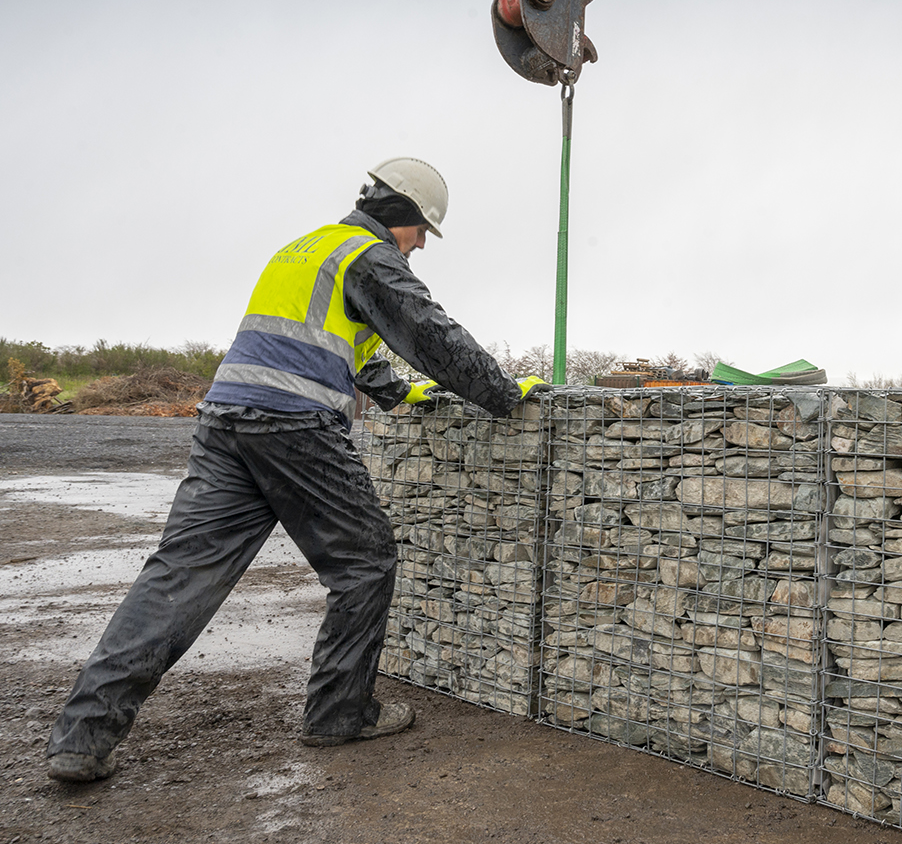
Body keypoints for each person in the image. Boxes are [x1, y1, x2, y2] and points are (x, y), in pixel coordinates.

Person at [46, 158, 549, 782]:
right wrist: (503, 394)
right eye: (421, 230)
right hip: (294, 426)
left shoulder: (305, 249)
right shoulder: (367, 255)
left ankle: (82, 737)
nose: (421, 244)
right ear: (400, 215)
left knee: (177, 577)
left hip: (226, 420)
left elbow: (331, 342)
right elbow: (430, 334)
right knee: (364, 563)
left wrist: (396, 392)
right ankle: (339, 713)